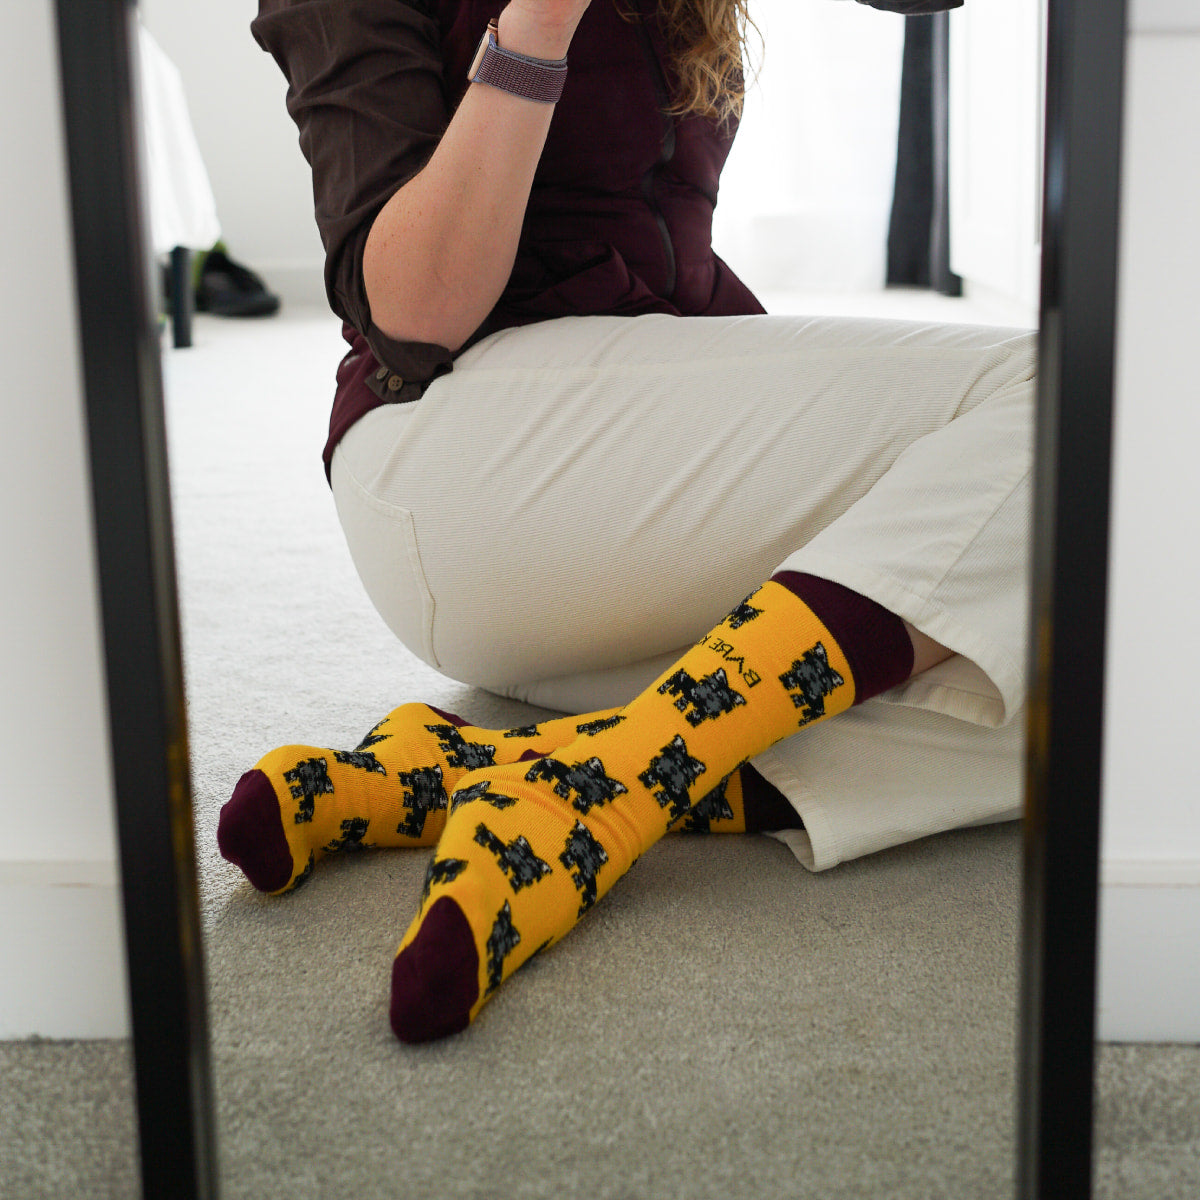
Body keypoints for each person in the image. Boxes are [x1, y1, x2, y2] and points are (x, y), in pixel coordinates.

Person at [220, 0, 1031, 1043]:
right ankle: (622, 786)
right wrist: (539, 19)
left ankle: (492, 774)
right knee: (1066, 395)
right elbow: (419, 309)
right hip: (464, 458)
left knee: (1083, 664)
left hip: (622, 514)